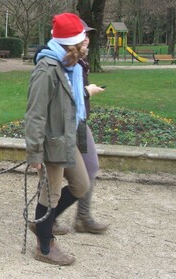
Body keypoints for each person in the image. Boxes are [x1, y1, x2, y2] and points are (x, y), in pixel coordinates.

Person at [25, 12, 91, 266]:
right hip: (51, 142)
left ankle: (43, 225)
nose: (86, 44)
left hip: (67, 138)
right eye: (82, 40)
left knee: (81, 185)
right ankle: (44, 246)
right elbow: (35, 114)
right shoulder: (47, 69)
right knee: (49, 195)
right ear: (70, 44)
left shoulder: (70, 66)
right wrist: (34, 153)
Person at [73, 21, 109, 234]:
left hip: (79, 121)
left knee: (90, 166)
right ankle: (49, 218)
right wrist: (87, 91)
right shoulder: (67, 62)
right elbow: (63, 94)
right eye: (82, 33)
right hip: (68, 123)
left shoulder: (79, 61)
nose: (86, 37)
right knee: (54, 172)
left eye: (88, 34)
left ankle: (82, 217)